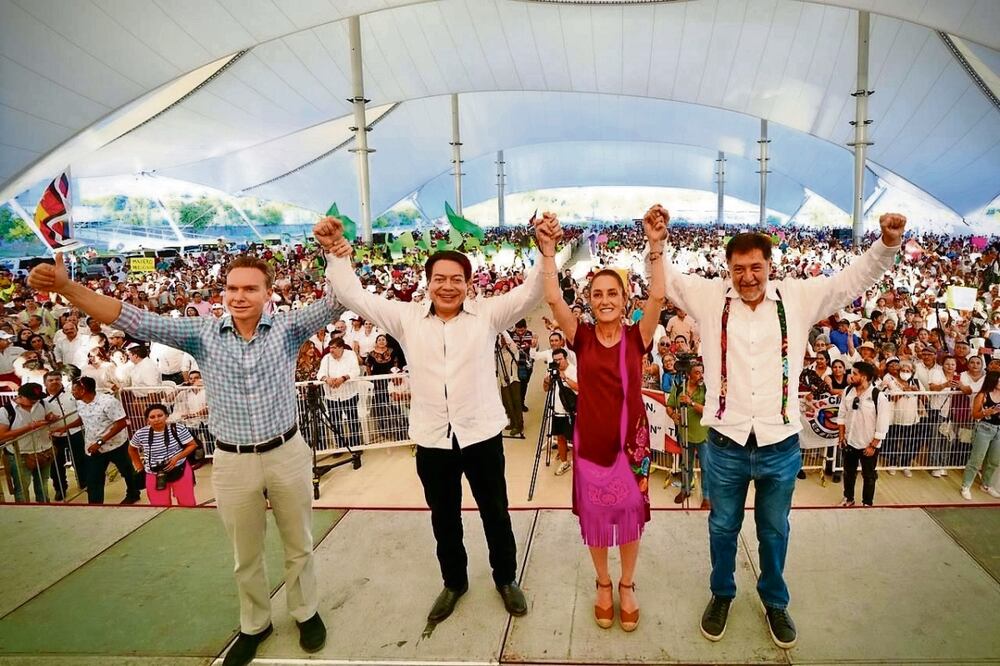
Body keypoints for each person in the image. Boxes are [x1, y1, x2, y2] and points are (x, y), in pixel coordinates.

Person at [29, 251, 338, 666]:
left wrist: (337, 252)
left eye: (250, 288)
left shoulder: (288, 328)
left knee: (298, 543)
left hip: (286, 451)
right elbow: (130, 317)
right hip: (232, 460)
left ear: (268, 293)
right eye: (232, 288)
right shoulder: (202, 333)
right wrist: (67, 287)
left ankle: (305, 612)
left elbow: (337, 300)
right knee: (245, 552)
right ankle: (255, 624)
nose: (239, 296)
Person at [656, 205, 906, 649]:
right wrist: (656, 242)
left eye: (756, 267)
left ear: (769, 266)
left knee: (774, 530)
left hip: (779, 445)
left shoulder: (797, 297)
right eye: (739, 269)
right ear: (728, 269)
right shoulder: (711, 299)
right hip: (726, 443)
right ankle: (722, 593)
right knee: (722, 527)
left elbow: (850, 281)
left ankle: (774, 600)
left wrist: (886, 245)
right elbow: (667, 279)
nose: (747, 276)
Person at [320, 217, 542, 626]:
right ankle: (454, 582)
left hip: (481, 434)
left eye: (457, 279)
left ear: (469, 283)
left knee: (495, 512)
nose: (448, 286)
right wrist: (336, 254)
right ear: (428, 282)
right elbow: (353, 295)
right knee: (444, 517)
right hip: (433, 439)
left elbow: (533, 291)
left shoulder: (488, 316)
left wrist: (545, 249)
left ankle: (506, 578)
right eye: (440, 279)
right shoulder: (406, 318)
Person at [538, 210, 665, 633]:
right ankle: (603, 583)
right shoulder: (582, 337)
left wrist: (655, 246)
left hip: (632, 446)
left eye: (613, 293)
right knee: (595, 520)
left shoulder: (637, 337)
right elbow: (553, 299)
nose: (605, 299)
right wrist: (549, 251)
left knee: (629, 518)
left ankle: (627, 584)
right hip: (590, 445)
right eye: (597, 294)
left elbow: (658, 298)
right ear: (589, 301)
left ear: (625, 299)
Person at [69, 376, 140, 504]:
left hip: (116, 445)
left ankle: (133, 493)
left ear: (83, 390)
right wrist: (66, 427)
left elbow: (121, 423)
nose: (72, 392)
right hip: (93, 448)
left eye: (74, 390)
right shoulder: (80, 403)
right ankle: (95, 505)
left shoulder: (108, 402)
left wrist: (100, 442)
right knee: (93, 479)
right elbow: (83, 419)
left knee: (127, 471)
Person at [836, 362, 891, 507]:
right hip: (849, 442)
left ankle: (867, 503)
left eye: (854, 374)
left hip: (868, 444)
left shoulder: (878, 396)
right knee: (848, 473)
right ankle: (848, 498)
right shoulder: (848, 391)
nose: (850, 376)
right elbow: (841, 415)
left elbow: (882, 424)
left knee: (869, 475)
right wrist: (841, 437)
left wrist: (873, 445)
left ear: (864, 377)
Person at [128, 403, 198, 507]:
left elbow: (192, 445)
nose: (156, 419)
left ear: (166, 416)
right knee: (159, 507)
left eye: (160, 416)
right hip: (154, 472)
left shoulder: (177, 429)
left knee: (188, 504)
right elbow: (132, 449)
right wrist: (139, 467)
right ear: (147, 420)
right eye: (152, 417)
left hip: (179, 469)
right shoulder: (141, 433)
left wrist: (177, 458)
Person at [0, 382, 54, 503]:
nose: (34, 401)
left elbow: (49, 415)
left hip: (44, 450)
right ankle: (23, 512)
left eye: (37, 398)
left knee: (43, 484)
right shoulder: (6, 411)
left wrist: (51, 417)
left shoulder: (42, 403)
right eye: (31, 399)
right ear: (20, 396)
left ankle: (45, 508)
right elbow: (2, 435)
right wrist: (30, 427)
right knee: (22, 488)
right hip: (20, 455)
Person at [666, 361, 710, 508]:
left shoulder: (706, 389)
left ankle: (707, 496)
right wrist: (673, 415)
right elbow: (669, 406)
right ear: (688, 375)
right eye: (697, 373)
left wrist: (691, 403)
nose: (701, 376)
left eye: (702, 372)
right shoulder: (679, 388)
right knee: (686, 465)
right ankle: (685, 490)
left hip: (703, 435)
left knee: (706, 467)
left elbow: (709, 411)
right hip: (685, 434)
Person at [42, 371, 88, 500]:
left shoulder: (71, 394)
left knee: (80, 459)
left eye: (57, 379)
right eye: (51, 380)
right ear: (45, 383)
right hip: (55, 435)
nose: (55, 382)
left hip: (75, 431)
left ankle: (84, 482)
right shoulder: (42, 401)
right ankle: (60, 488)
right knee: (56, 464)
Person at [316, 338, 363, 449]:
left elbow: (356, 371)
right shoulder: (326, 358)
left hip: (349, 394)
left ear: (341, 348)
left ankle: (356, 445)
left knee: (353, 420)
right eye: (330, 348)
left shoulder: (350, 355)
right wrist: (326, 379)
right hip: (332, 396)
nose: (331, 350)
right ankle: (341, 446)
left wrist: (343, 378)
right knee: (335, 422)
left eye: (334, 348)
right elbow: (320, 374)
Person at [963, 370, 1000, 500]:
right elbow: (975, 414)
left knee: (994, 460)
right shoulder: (983, 395)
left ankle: (986, 485)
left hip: (999, 430)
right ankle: (966, 486)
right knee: (976, 459)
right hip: (984, 428)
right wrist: (987, 412)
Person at [542, 347, 578, 476]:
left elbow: (580, 388)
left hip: (571, 411)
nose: (558, 362)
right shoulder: (552, 371)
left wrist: (565, 378)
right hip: (556, 410)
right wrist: (546, 381)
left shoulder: (574, 370)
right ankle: (564, 462)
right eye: (555, 360)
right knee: (560, 437)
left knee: (576, 439)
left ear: (565, 358)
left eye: (560, 359)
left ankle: (579, 463)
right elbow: (546, 389)